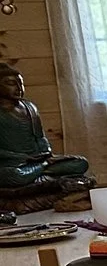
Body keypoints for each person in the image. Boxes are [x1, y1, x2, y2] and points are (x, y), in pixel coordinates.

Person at [0, 58, 90, 202]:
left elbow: (40, 138)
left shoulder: (30, 108)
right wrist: (21, 158)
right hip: (11, 165)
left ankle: (38, 174)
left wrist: (46, 153)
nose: (19, 88)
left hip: (36, 161)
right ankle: (43, 174)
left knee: (80, 162)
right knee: (15, 175)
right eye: (11, 83)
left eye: (21, 83)